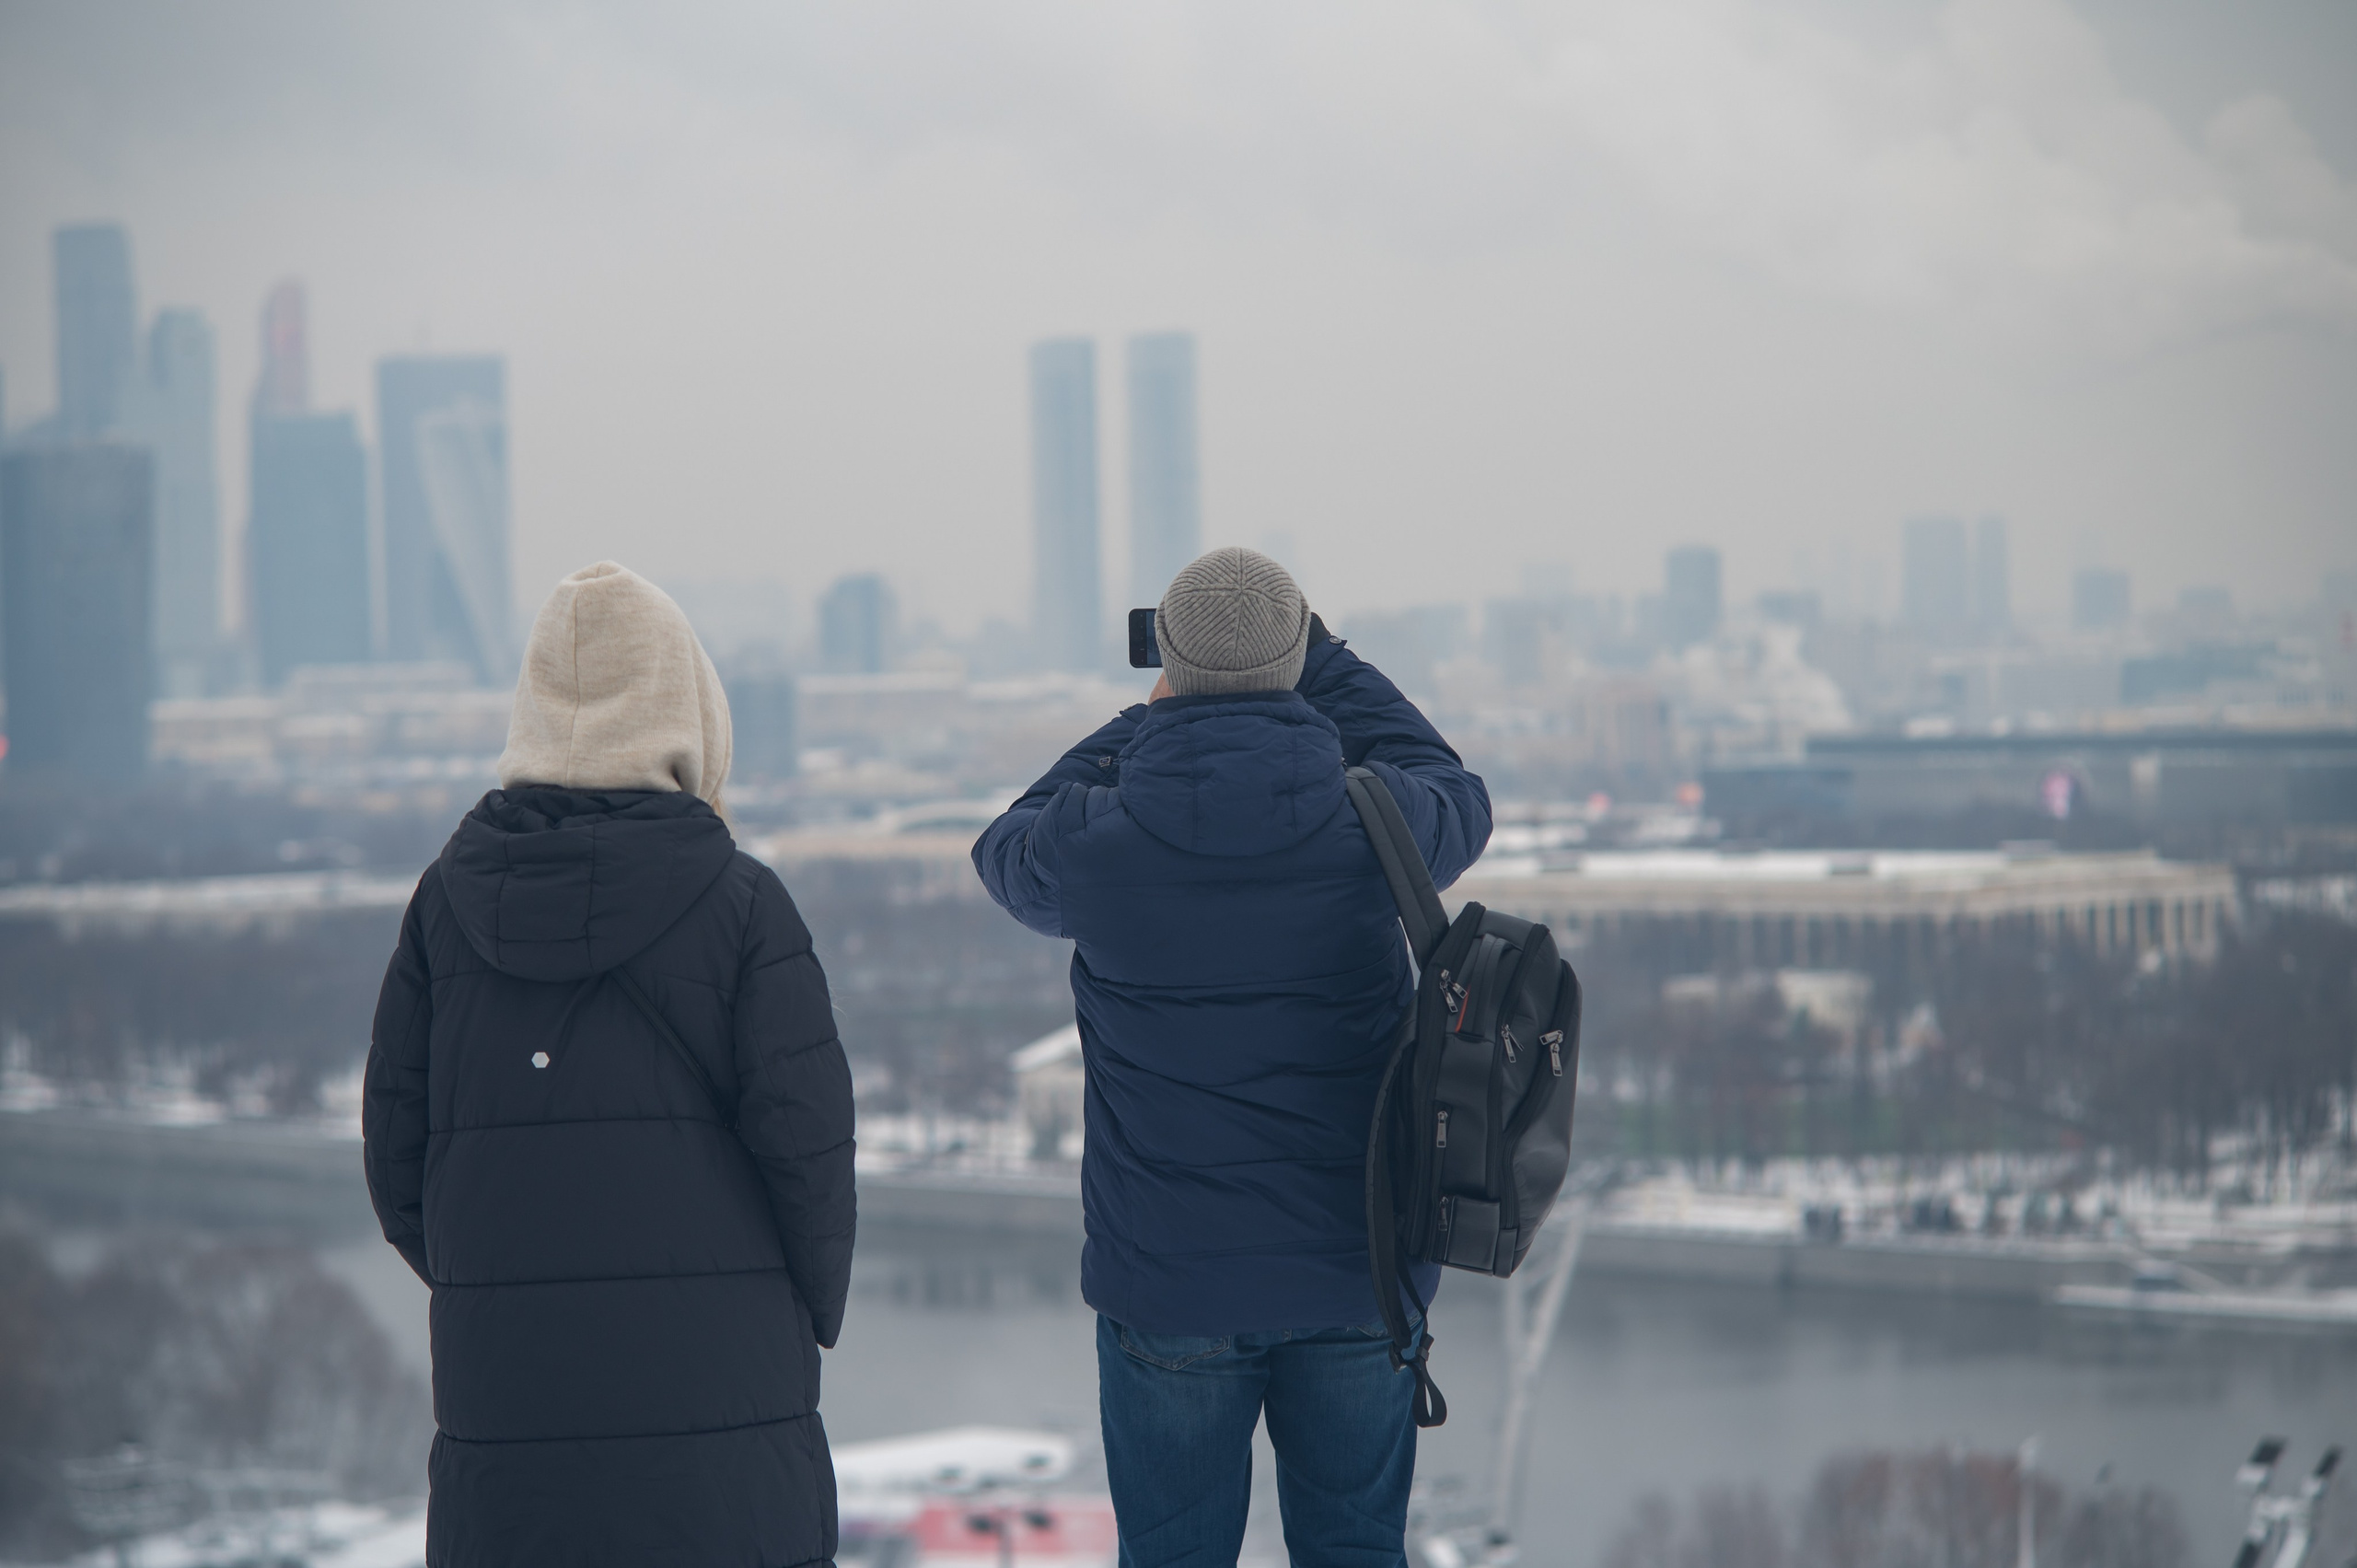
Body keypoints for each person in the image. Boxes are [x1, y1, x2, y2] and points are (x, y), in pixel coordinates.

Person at [972, 547, 1492, 1565]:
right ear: (1297, 655)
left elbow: (1004, 840)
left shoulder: (1096, 844)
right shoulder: (1375, 819)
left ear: (1164, 660)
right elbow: (1452, 783)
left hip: (1169, 1282)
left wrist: (1162, 711)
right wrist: (1320, 660)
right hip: (1359, 1267)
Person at [363, 561, 855, 1568]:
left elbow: (396, 1163)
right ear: (691, 713)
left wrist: (500, 1282)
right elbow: (812, 1158)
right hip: (724, 1419)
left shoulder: (441, 910)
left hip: (509, 1423)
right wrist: (794, 1310)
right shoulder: (745, 907)